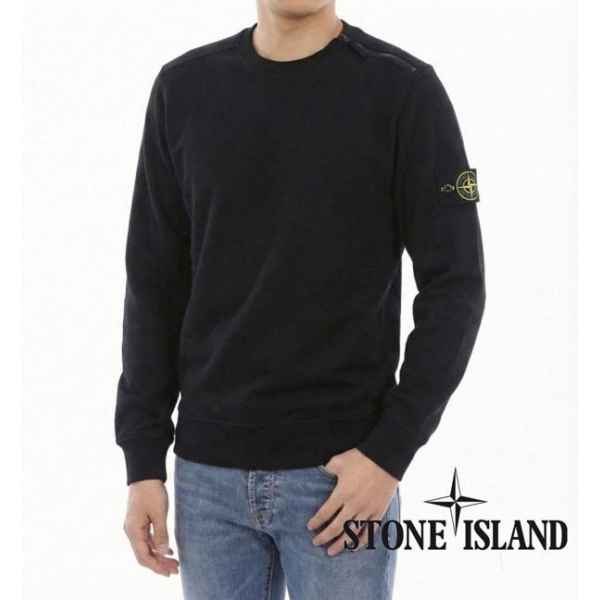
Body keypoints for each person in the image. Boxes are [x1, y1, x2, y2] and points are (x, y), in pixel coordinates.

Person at [115, 1, 485, 598]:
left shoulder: (404, 90)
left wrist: (389, 454)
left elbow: (457, 287)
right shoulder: (183, 89)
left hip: (341, 478)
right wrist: (142, 462)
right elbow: (154, 286)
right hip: (207, 479)